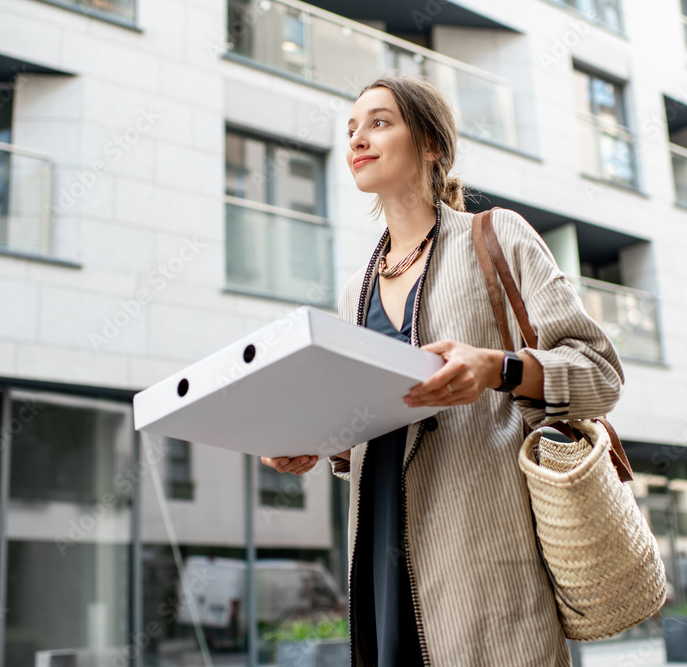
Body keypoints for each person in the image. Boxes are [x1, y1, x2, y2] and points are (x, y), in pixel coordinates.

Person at [261, 74, 624, 666]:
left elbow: (599, 373)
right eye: (351, 129)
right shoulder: (356, 289)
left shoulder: (497, 236)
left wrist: (496, 369)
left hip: (481, 548)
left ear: (432, 145)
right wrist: (316, 441)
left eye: (379, 122)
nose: (358, 138)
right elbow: (375, 421)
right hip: (379, 549)